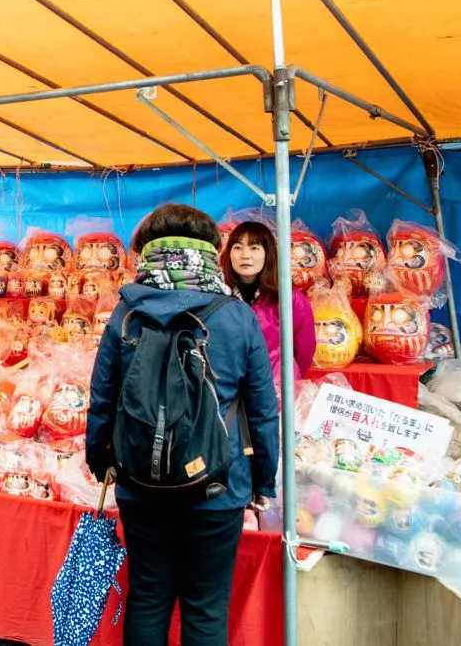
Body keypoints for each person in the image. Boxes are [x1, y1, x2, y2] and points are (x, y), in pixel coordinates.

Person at [86, 204, 279, 645]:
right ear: (212, 252)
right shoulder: (237, 316)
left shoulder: (126, 312)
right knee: (206, 607)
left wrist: (101, 463)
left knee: (148, 597)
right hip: (219, 483)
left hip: (140, 482)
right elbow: (263, 410)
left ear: (147, 252)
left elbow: (102, 399)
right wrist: (264, 481)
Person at [221, 221, 316, 380]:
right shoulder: (219, 296)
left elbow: (304, 350)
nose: (245, 255)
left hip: (274, 388)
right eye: (237, 247)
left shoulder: (289, 298)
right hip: (230, 387)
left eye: (254, 248)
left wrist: (285, 381)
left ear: (268, 253)